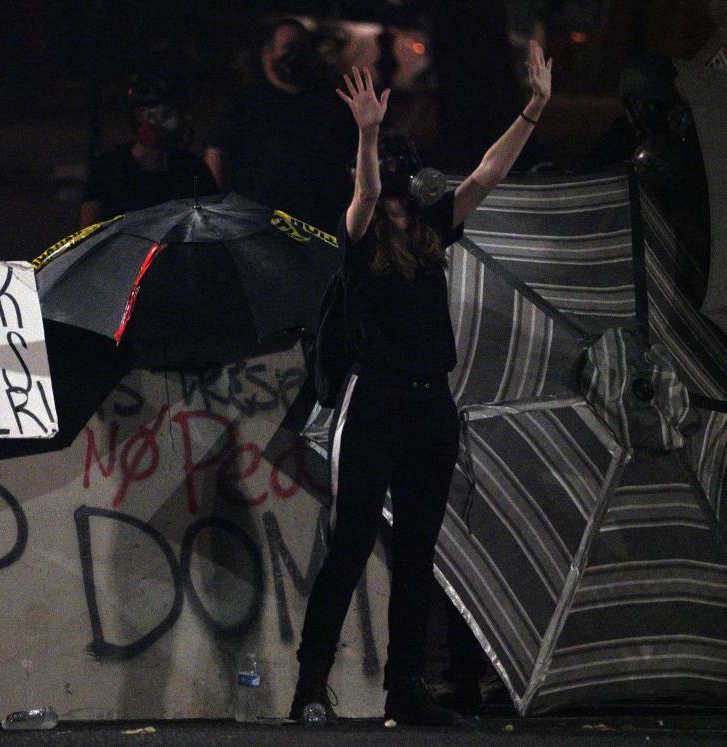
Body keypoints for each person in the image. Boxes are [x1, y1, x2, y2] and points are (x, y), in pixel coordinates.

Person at [290, 42, 551, 726]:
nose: (387, 186)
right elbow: (368, 192)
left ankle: (406, 686)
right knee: (349, 546)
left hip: (431, 403)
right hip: (374, 400)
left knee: (417, 553)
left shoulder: (433, 232)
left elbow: (485, 176)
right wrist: (368, 133)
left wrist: (533, 109)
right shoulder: (358, 236)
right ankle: (310, 685)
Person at [204, 17, 356, 232]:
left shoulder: (328, 99)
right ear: (268, 52)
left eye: (302, 48)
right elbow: (216, 155)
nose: (296, 55)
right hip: (262, 226)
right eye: (288, 48)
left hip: (320, 224)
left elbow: (352, 153)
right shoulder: (244, 101)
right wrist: (220, 211)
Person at [79, 71, 216, 227]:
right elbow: (89, 234)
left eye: (180, 112)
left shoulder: (193, 170)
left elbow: (212, 226)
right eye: (167, 113)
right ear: (141, 116)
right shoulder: (110, 169)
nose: (177, 122)